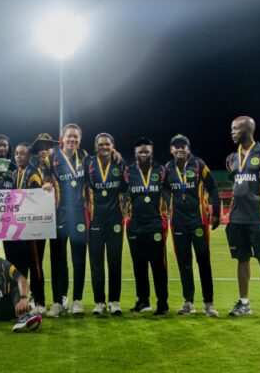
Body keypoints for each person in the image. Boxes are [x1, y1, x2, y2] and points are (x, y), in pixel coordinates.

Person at [225, 116, 260, 321]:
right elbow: (235, 184)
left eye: (235, 128)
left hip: (259, 217)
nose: (232, 132)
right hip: (237, 218)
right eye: (231, 128)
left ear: (248, 130)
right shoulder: (231, 158)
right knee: (242, 259)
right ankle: (244, 303)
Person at [163, 134, 221, 317]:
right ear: (171, 149)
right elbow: (164, 188)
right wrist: (169, 203)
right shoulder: (168, 168)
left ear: (188, 148)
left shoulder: (198, 164)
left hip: (198, 221)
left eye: (183, 146)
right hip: (178, 222)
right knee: (184, 263)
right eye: (176, 146)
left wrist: (216, 212)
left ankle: (209, 303)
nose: (180, 149)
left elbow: (212, 187)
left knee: (203, 261)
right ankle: (188, 302)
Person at [42, 123, 89, 317]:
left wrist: (114, 152)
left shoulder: (84, 157)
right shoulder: (51, 158)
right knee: (58, 260)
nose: (73, 139)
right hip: (58, 214)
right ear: (62, 138)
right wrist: (45, 183)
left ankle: (77, 300)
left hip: (79, 215)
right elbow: (44, 178)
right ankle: (58, 301)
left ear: (80, 139)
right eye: (70, 136)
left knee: (79, 259)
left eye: (76, 137)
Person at [125, 137, 169, 316]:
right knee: (139, 265)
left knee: (159, 265)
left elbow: (170, 191)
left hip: (155, 224)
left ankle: (162, 303)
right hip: (135, 224)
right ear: (135, 153)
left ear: (152, 153)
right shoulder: (128, 172)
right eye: (140, 152)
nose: (144, 155)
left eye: (147, 152)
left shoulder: (161, 171)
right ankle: (143, 300)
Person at [84, 133, 127, 316]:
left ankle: (114, 301)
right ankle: (99, 302)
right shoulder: (88, 163)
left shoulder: (120, 163)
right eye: (101, 144)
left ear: (112, 146)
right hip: (95, 220)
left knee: (115, 262)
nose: (104, 147)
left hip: (115, 219)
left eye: (107, 144)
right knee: (96, 264)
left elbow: (126, 187)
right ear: (95, 146)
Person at [8, 142, 47, 315]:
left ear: (29, 155)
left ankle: (40, 302)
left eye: (22, 153)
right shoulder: (15, 173)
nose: (18, 156)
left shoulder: (33, 173)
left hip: (34, 228)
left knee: (35, 265)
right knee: (21, 265)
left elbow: (35, 200)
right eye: (16, 153)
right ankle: (26, 299)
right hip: (20, 227)